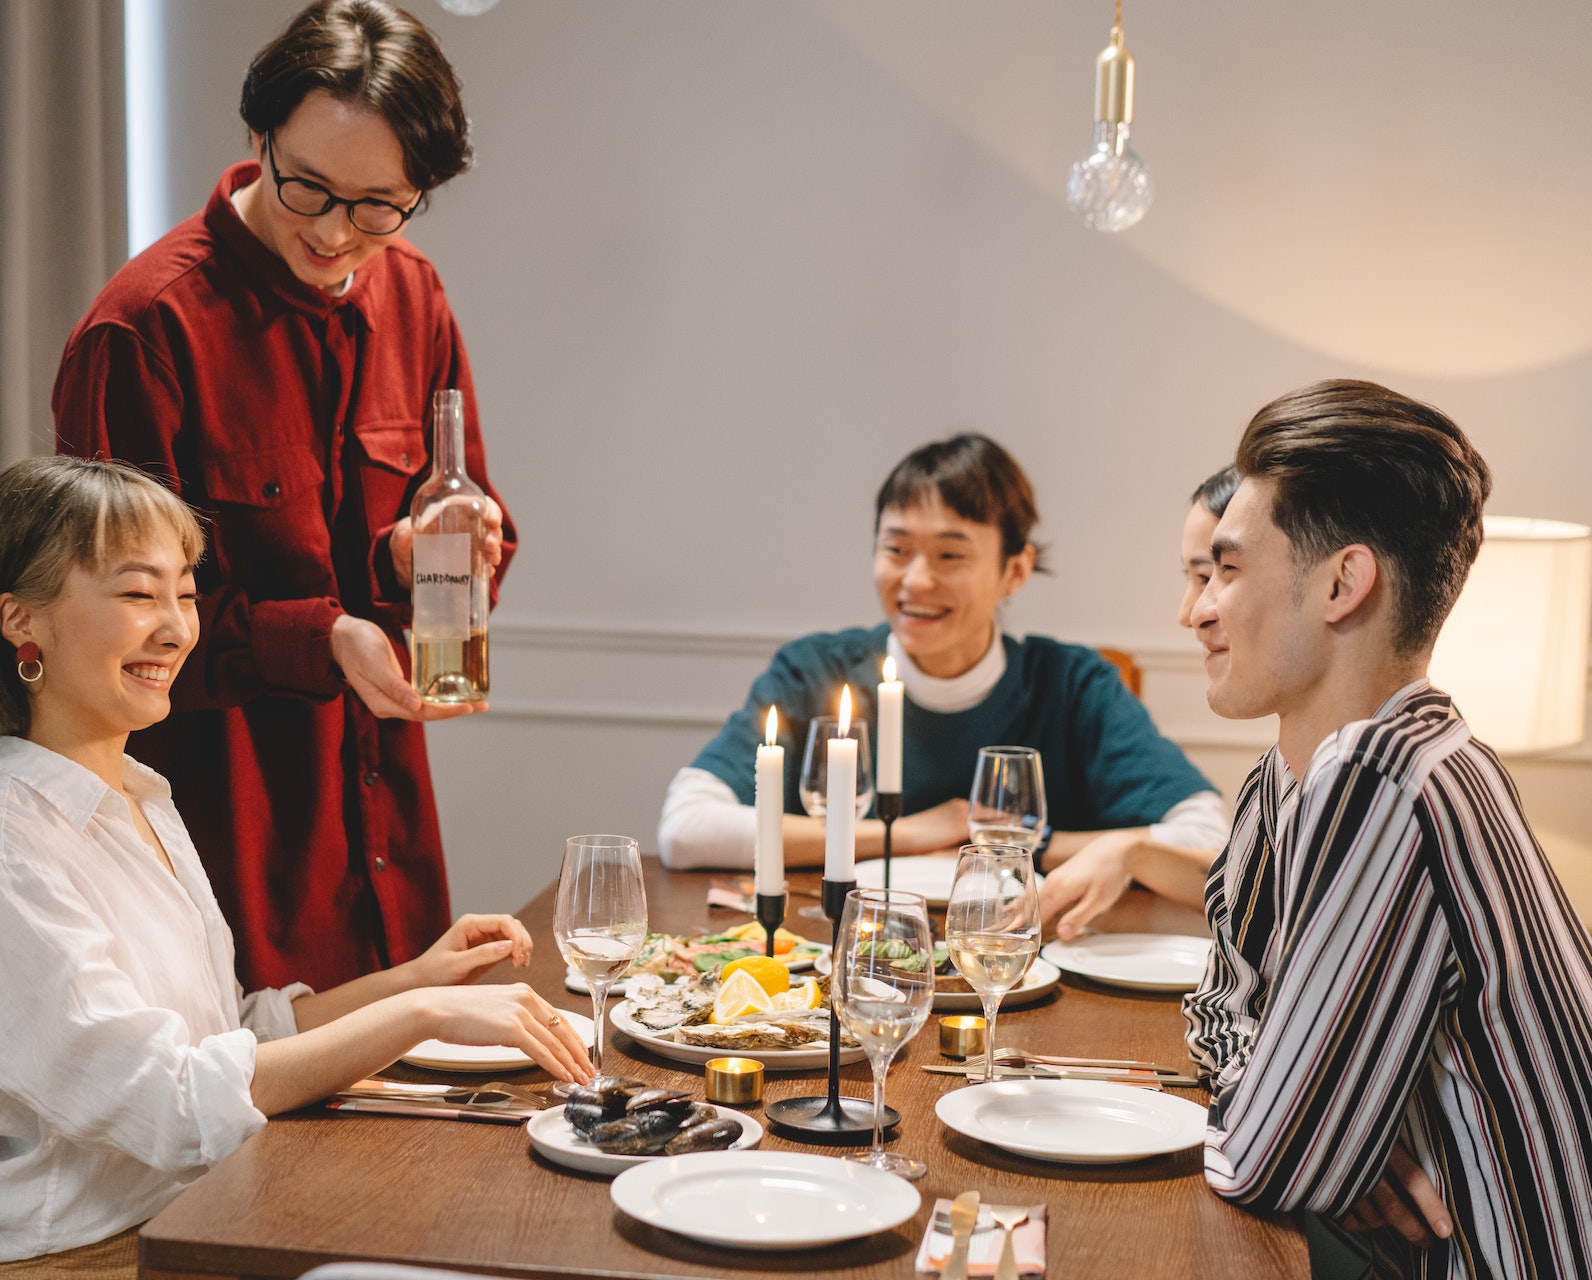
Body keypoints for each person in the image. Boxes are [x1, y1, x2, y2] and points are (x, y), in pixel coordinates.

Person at [0, 458, 588, 1277]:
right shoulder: (8, 857)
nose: (178, 627)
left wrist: (412, 978)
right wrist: (422, 1015)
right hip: (82, 1259)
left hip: (203, 1213)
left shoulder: (138, 801)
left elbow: (229, 1038)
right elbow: (176, 1101)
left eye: (185, 593)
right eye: (137, 593)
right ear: (22, 622)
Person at [53, 0, 510, 991]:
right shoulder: (144, 332)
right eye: (307, 187)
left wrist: (424, 553)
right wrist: (322, 637)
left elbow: (470, 522)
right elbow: (114, 631)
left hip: (390, 853)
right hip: (225, 856)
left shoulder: (415, 294)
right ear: (259, 137)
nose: (338, 233)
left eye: (379, 205)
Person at [1181, 380, 1592, 1277]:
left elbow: (1268, 1163)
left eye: (1229, 570)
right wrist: (1323, 1137)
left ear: (1342, 583)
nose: (1197, 610)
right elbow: (1215, 1007)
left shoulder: (1388, 782)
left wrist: (1314, 1141)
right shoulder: (1291, 781)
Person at [657, 434, 1224, 883]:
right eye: (896, 550)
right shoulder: (815, 673)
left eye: (950, 555)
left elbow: (1206, 836)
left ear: (1015, 570)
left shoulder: (1071, 686)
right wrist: (906, 833)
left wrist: (1021, 843)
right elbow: (685, 830)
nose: (916, 580)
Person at [1038, 465, 1238, 938]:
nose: (1188, 612)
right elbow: (1255, 903)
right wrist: (1130, 851)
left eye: (1218, 574)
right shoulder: (1280, 773)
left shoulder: (1363, 777)